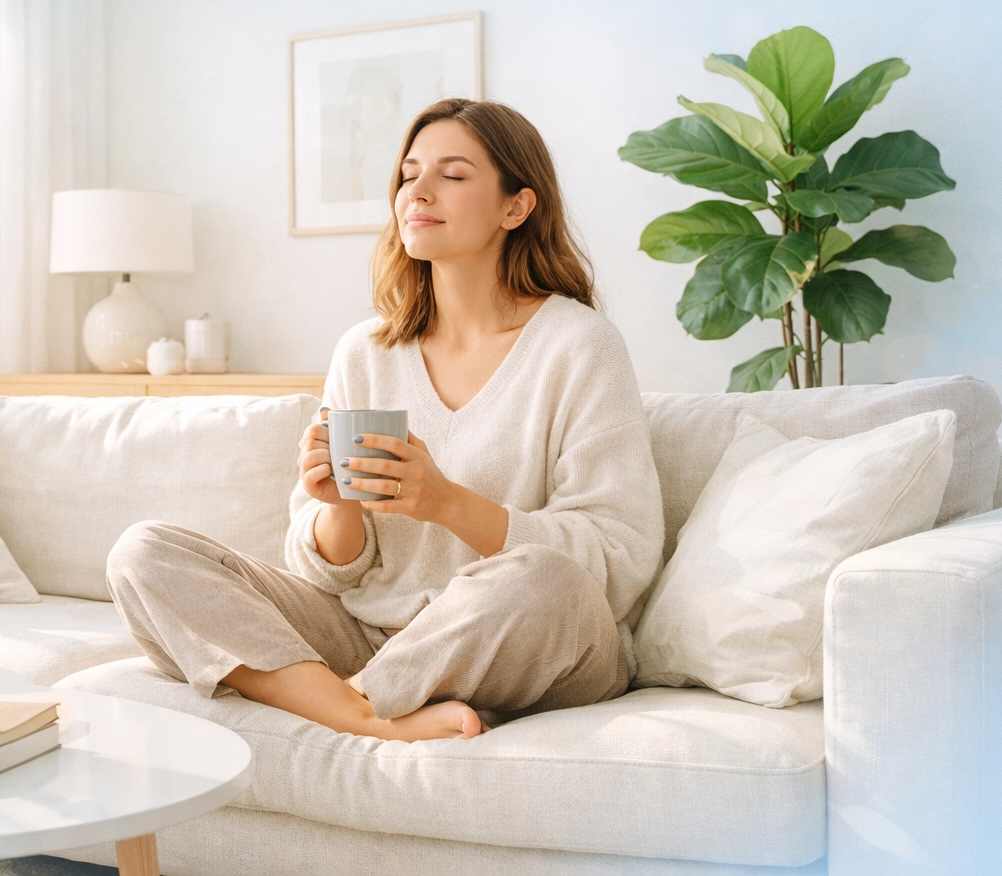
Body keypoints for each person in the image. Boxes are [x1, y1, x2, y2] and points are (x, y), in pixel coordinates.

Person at [106, 98, 664, 741]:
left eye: (451, 176)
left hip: (531, 639)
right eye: (408, 174)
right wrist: (337, 507)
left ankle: (344, 700)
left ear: (517, 206)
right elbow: (326, 571)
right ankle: (362, 713)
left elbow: (617, 560)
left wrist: (447, 503)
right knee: (144, 553)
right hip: (366, 635)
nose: (417, 192)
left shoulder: (579, 344)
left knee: (544, 577)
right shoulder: (367, 351)